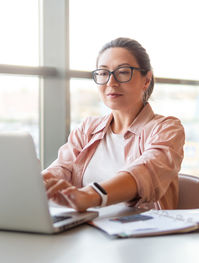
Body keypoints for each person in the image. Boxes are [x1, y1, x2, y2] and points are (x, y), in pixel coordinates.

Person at [42, 37, 185, 212]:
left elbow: (145, 172)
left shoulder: (166, 128)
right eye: (103, 73)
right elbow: (62, 168)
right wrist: (40, 184)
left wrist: (90, 196)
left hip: (142, 232)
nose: (111, 82)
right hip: (89, 229)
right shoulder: (88, 129)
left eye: (123, 72)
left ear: (146, 80)